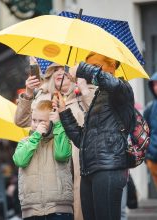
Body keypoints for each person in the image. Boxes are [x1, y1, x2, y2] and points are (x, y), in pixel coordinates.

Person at [53, 52, 135, 220]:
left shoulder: (122, 88)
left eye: (95, 66)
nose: (89, 72)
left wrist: (82, 68)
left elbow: (110, 83)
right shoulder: (98, 96)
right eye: (88, 66)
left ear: (112, 66)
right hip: (90, 170)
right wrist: (63, 112)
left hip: (109, 169)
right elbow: (82, 140)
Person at [14, 60, 96, 220]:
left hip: (79, 162)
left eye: (65, 69)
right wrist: (29, 93)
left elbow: (98, 117)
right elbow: (21, 121)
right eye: (56, 69)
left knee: (80, 210)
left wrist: (84, 88)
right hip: (49, 166)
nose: (60, 72)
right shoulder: (42, 98)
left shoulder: (84, 95)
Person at [13, 100, 73, 220]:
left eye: (42, 121)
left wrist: (58, 124)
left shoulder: (60, 137)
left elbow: (61, 155)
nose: (36, 124)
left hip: (58, 207)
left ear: (51, 121)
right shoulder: (25, 142)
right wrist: (35, 137)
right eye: (34, 120)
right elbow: (20, 161)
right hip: (32, 210)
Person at [144, 72, 157, 187]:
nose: (156, 87)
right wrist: (146, 155)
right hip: (153, 157)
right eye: (154, 84)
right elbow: (143, 132)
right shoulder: (150, 108)